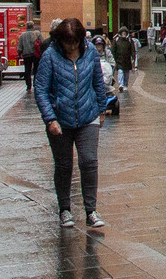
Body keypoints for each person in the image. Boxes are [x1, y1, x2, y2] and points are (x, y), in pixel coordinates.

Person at [35, 18, 113, 231]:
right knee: (64, 165)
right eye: (67, 43)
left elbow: (98, 83)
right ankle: (65, 209)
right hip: (60, 120)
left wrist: (101, 109)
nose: (71, 47)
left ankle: (91, 211)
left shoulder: (90, 54)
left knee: (89, 162)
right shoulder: (50, 56)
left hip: (87, 117)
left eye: (75, 43)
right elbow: (41, 89)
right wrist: (50, 118)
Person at [19, 22, 39, 91]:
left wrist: (19, 54)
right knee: (36, 69)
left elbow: (19, 48)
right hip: (36, 55)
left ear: (26, 27)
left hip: (26, 55)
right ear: (33, 26)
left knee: (27, 70)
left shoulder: (22, 35)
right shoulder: (37, 33)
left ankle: (28, 85)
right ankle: (35, 83)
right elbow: (42, 43)